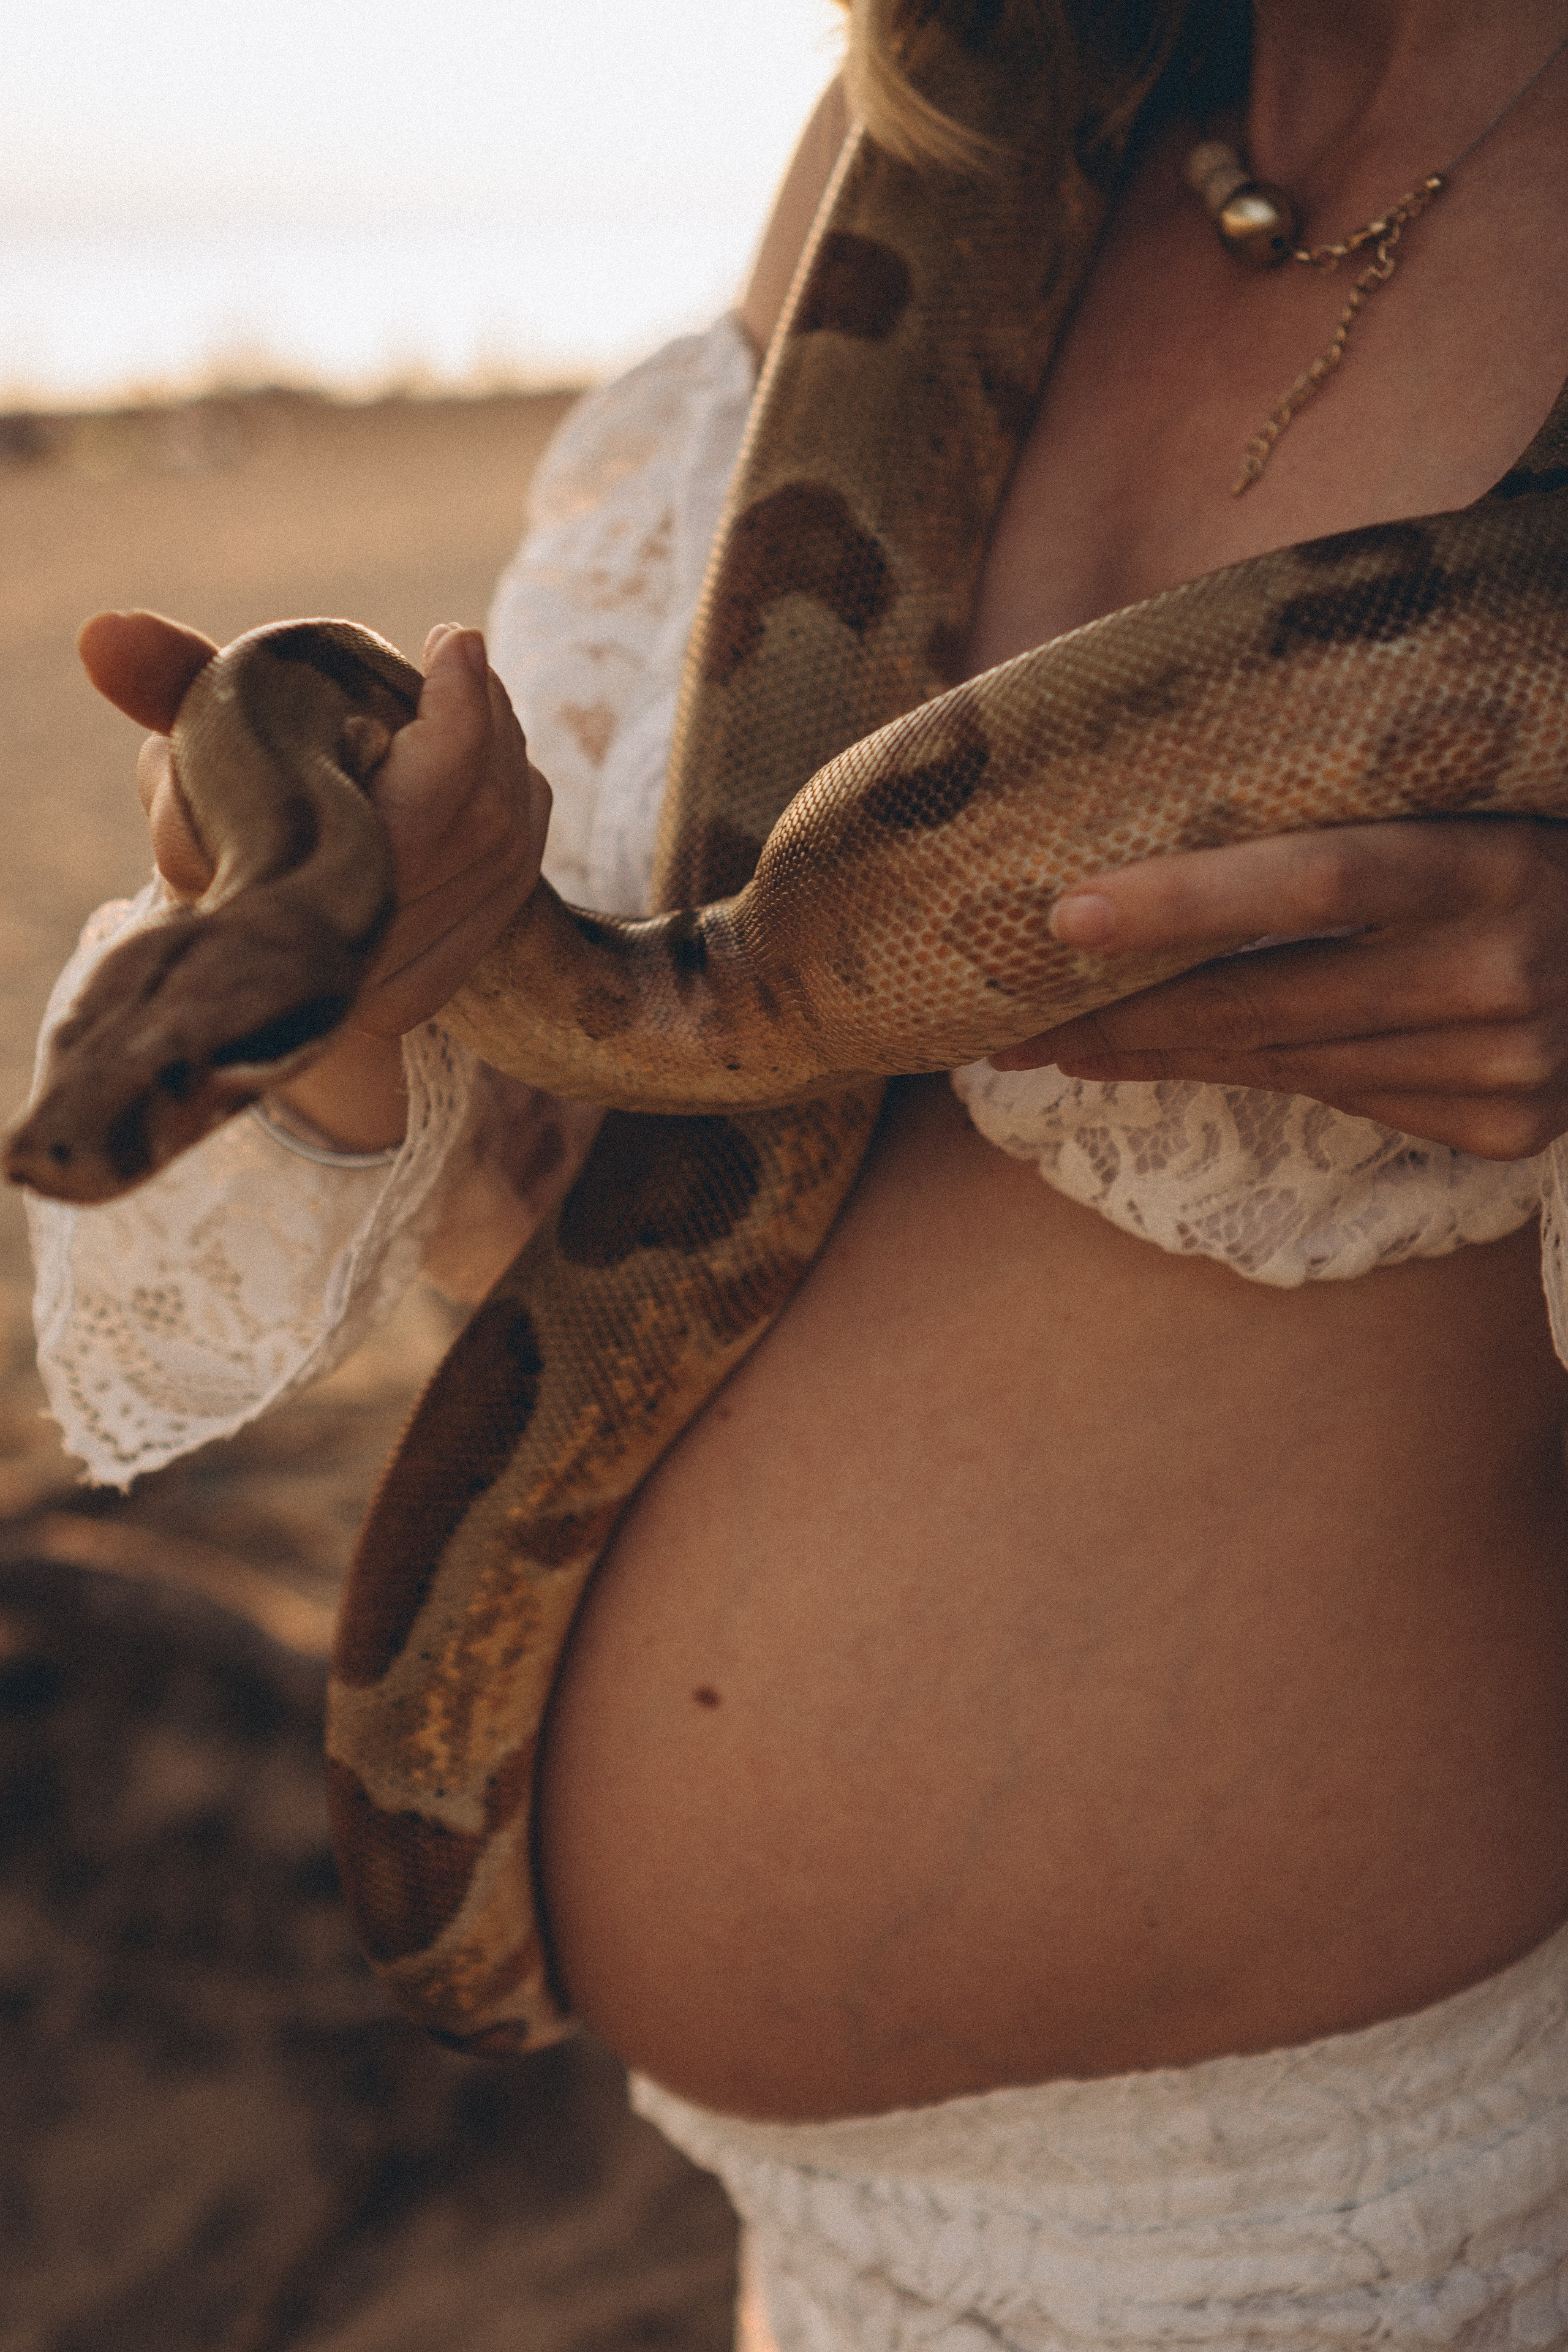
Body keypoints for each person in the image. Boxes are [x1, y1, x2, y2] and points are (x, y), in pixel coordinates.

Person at [29, 1, 1568, 2340]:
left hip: (1367, 2234)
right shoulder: (945, 121)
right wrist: (399, 970)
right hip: (808, 2246)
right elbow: (535, 1187)